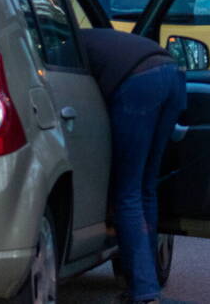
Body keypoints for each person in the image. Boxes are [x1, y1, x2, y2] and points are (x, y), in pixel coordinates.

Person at [80, 28, 187, 304]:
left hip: (139, 83)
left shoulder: (66, 49)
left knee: (127, 193)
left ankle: (144, 290)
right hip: (173, 74)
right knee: (145, 187)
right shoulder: (96, 36)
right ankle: (146, 281)